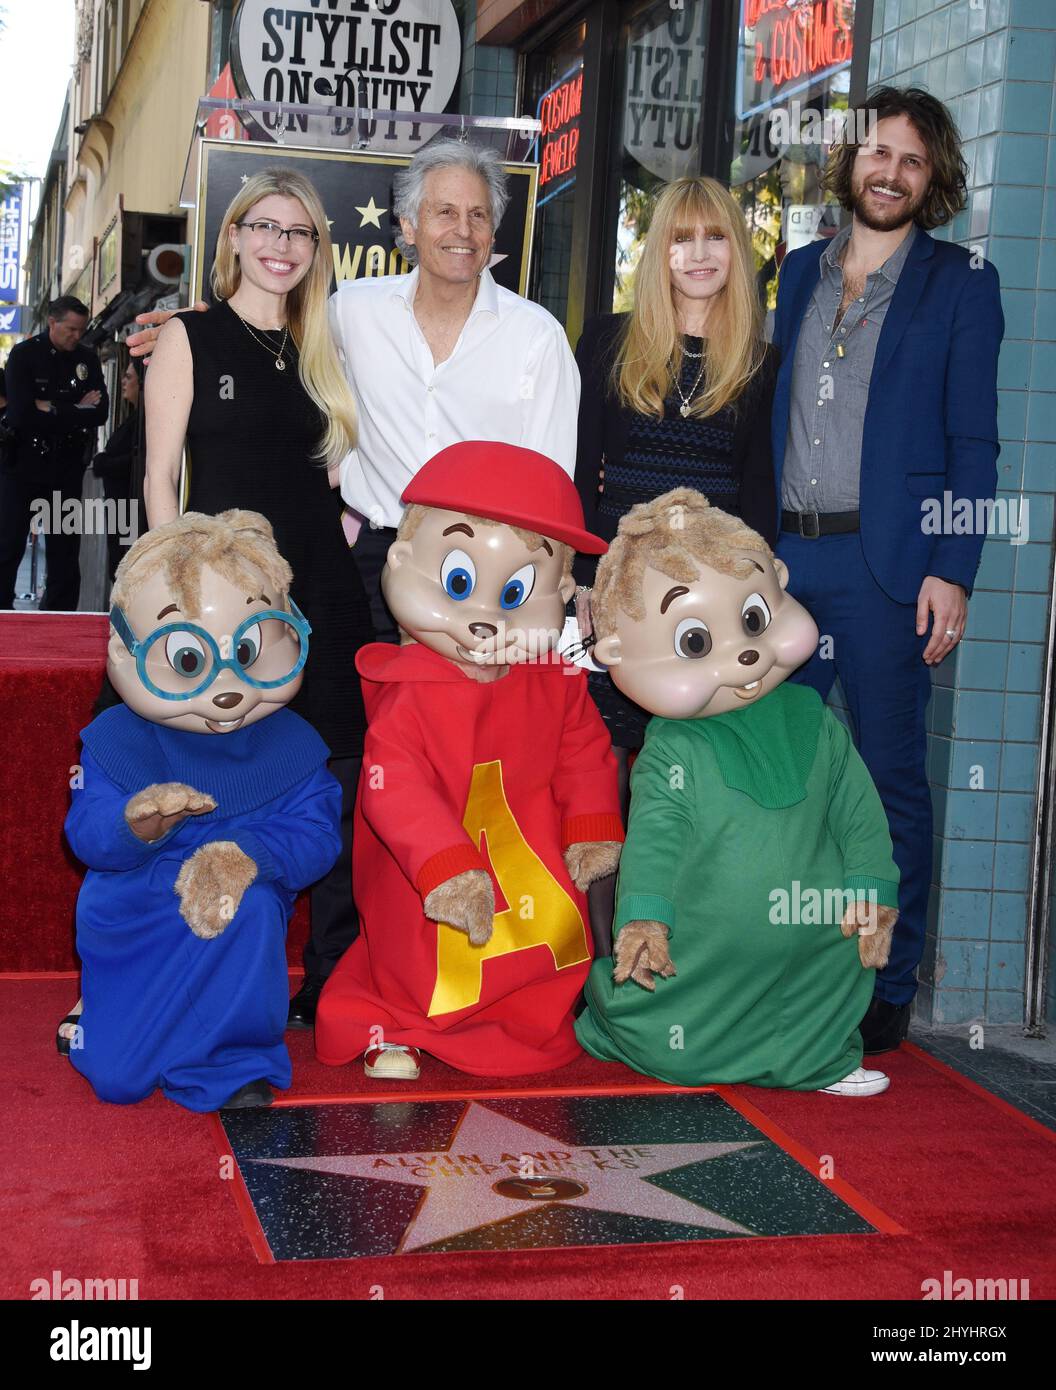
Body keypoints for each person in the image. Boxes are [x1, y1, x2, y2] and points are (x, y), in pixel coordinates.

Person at [69, 168, 370, 1043]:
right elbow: (159, 476)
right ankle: (124, 979)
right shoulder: (188, 338)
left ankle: (330, 980)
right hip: (214, 599)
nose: (281, 246)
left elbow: (341, 478)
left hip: (312, 588)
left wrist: (340, 539)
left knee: (340, 770)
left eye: (299, 233)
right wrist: (181, 590)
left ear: (316, 251)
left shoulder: (325, 346)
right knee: (148, 757)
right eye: (265, 227)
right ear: (233, 236)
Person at [130, 140, 581, 646]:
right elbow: (254, 344)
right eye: (444, 212)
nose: (463, 230)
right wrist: (196, 332)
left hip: (489, 577)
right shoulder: (352, 313)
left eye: (478, 214)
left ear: (494, 231)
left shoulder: (537, 337)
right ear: (408, 226)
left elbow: (555, 482)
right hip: (370, 567)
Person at [771, 87, 1004, 1054]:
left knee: (889, 780)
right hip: (782, 562)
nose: (891, 172)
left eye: (912, 160)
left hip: (888, 570)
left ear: (932, 177)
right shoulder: (792, 274)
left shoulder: (961, 282)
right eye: (878, 153)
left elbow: (974, 444)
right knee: (775, 769)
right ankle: (777, 966)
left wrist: (953, 568)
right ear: (851, 162)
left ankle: (885, 990)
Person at [573, 176, 779, 953]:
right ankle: (598, 958)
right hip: (622, 595)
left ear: (736, 251)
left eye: (717, 236)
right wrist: (584, 586)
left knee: (695, 766)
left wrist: (756, 608)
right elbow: (575, 473)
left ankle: (678, 944)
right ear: (659, 251)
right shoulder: (606, 342)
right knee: (603, 770)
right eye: (682, 238)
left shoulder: (759, 363)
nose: (699, 254)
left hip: (712, 610)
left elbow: (758, 503)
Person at [0, 296, 109, 609]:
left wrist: (52, 409)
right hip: (23, 465)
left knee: (64, 554)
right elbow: (20, 415)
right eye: (70, 329)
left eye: (81, 329)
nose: (76, 336)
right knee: (8, 547)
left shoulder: (87, 359)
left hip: (66, 467)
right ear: (52, 322)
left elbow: (100, 412)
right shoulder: (24, 355)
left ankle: (59, 620)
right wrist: (76, 409)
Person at [92, 359, 144, 582]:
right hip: (120, 508)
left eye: (129, 377)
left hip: (131, 509)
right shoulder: (135, 417)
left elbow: (138, 458)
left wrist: (103, 463)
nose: (123, 382)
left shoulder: (144, 420)